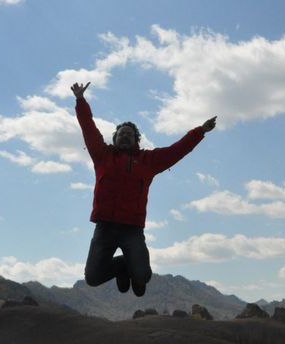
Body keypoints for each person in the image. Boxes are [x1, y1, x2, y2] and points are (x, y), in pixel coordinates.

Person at [72, 82, 216, 296]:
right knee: (93, 277)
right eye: (121, 133)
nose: (125, 136)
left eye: (129, 134)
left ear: (136, 140)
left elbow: (176, 151)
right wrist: (80, 100)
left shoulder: (148, 161)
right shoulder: (103, 155)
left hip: (132, 228)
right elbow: (89, 129)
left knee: (142, 278)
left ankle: (132, 269)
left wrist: (200, 131)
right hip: (105, 227)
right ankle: (123, 266)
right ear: (115, 138)